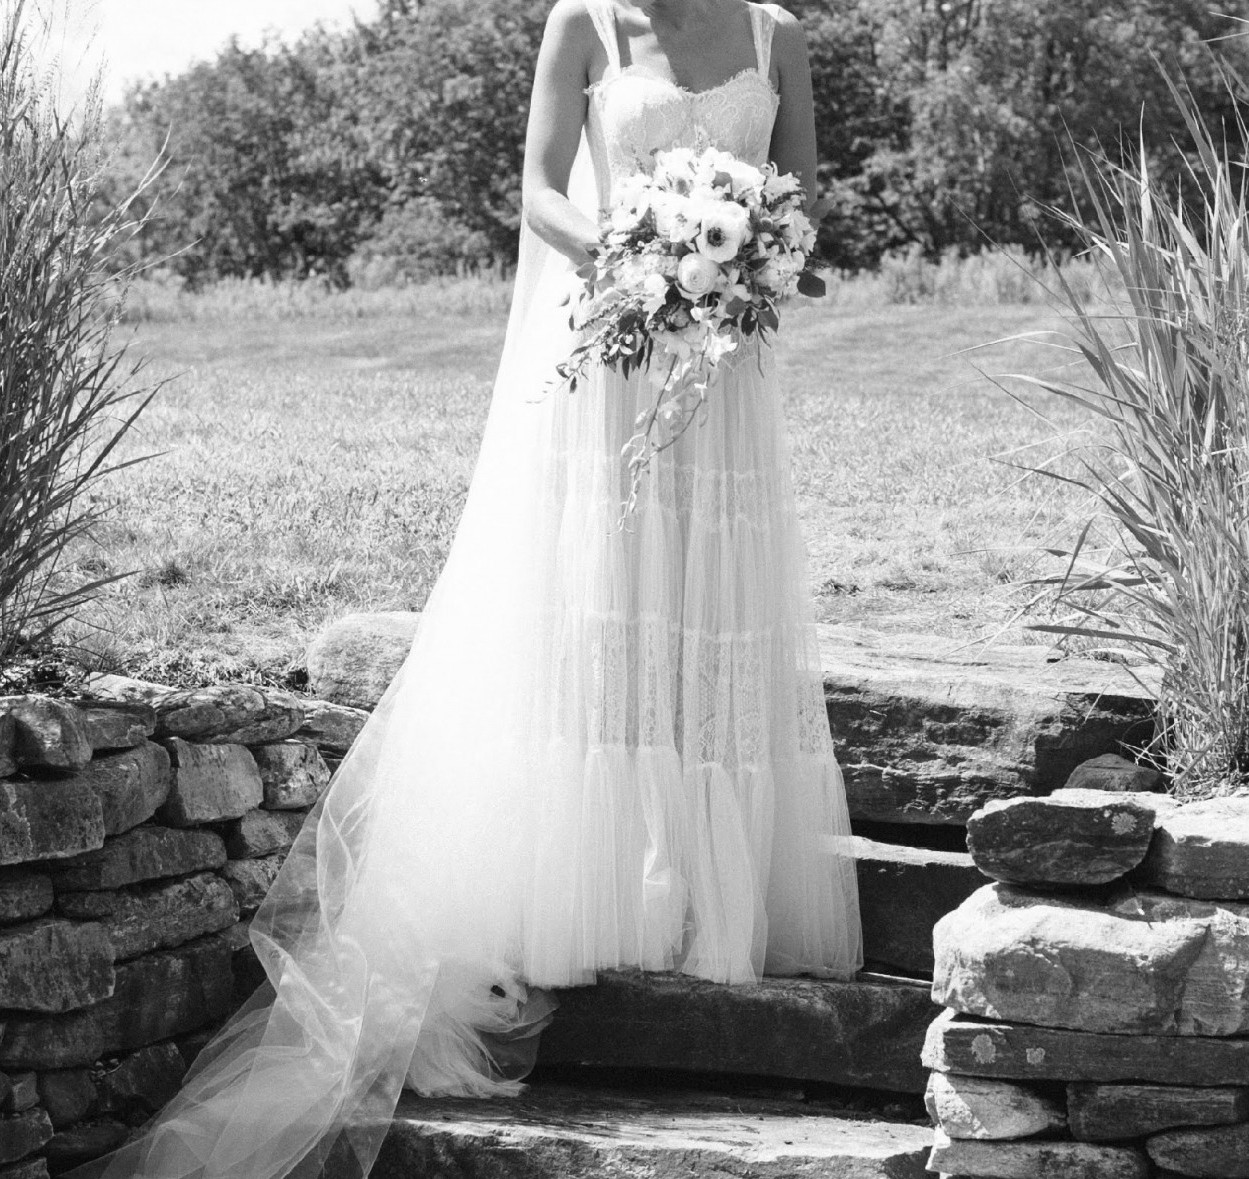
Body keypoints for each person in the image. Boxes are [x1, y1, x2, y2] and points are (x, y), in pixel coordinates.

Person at [69, 1, 861, 1175]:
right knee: (605, 602)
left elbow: (803, 208)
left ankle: (708, 897)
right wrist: (636, 258)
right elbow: (539, 189)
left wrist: (745, 260)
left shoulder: (774, 35)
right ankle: (599, 893)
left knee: (711, 599)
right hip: (609, 346)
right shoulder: (584, 21)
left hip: (724, 364)